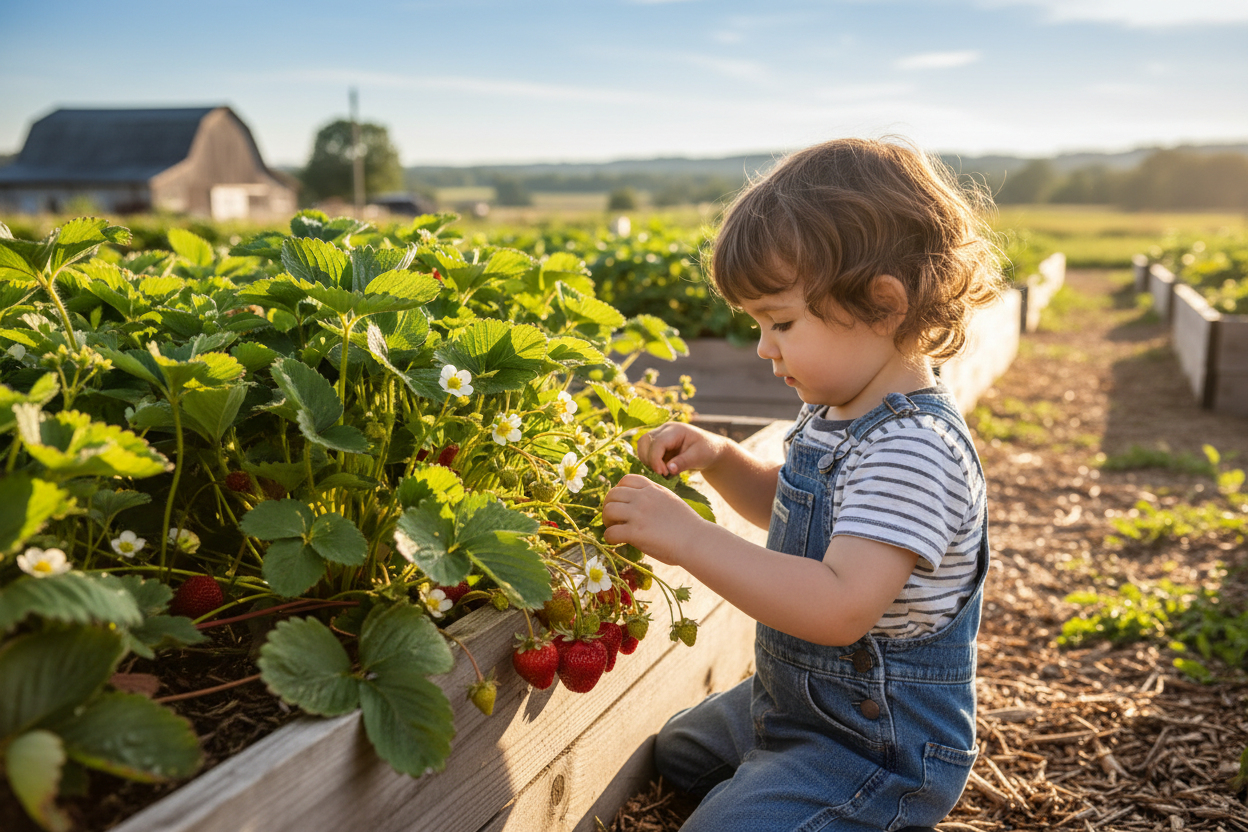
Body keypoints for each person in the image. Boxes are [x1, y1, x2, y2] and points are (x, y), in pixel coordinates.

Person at [601, 137, 1003, 832]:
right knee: (679, 752)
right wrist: (723, 458)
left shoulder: (911, 448)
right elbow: (798, 516)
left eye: (780, 322)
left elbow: (839, 605)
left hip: (875, 743)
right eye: (759, 324)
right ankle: (780, 761)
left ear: (882, 305)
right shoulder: (839, 411)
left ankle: (846, 799)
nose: (763, 347)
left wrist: (690, 540)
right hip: (799, 700)